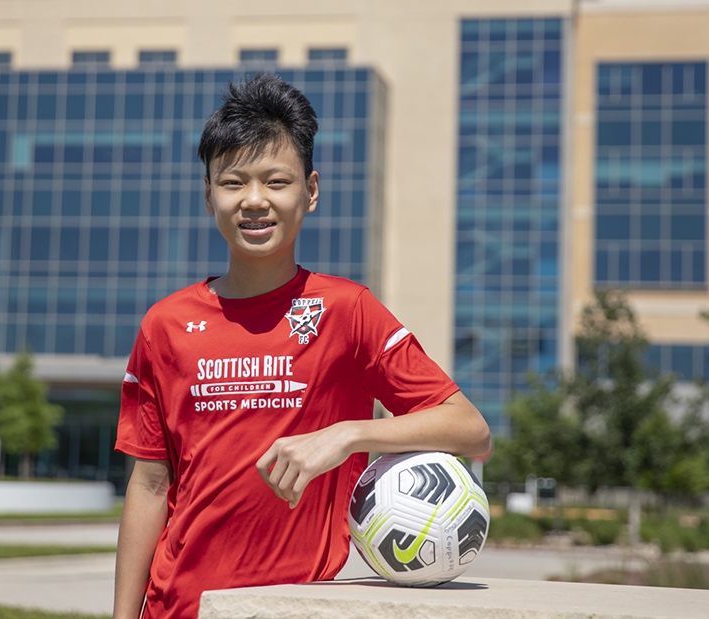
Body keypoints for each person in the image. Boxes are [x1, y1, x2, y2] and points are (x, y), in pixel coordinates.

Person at [112, 73, 491, 619]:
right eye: (233, 182)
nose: (254, 200)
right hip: (178, 607)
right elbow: (150, 487)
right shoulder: (165, 324)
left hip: (296, 607)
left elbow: (471, 429)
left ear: (310, 191)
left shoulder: (348, 310)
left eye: (276, 181)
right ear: (209, 195)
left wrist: (348, 435)